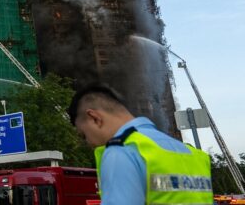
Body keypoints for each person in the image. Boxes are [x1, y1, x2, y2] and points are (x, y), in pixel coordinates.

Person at [68, 84, 213, 205]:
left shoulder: (122, 151)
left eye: (83, 135)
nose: (88, 142)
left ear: (94, 118)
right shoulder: (193, 155)